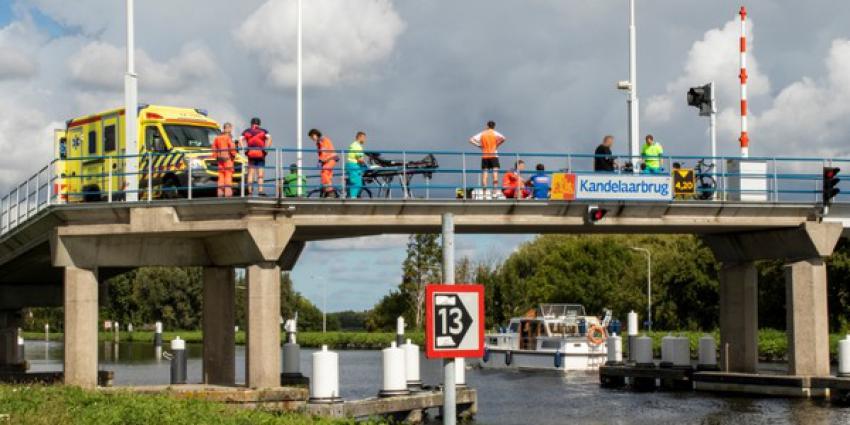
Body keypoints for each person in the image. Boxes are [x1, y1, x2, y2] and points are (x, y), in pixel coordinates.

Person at [469, 121, 506, 195]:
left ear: (487, 126)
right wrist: (497, 144)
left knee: (485, 175)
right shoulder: (495, 133)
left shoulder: (482, 133)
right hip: (494, 155)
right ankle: (495, 191)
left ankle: (484, 192)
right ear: (494, 126)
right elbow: (504, 138)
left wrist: (479, 145)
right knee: (495, 174)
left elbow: (471, 140)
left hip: (485, 155)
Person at [239, 117, 272, 196]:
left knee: (251, 173)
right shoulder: (264, 131)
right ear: (259, 124)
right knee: (260, 174)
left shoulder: (246, 131)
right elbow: (269, 138)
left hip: (251, 154)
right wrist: (266, 149)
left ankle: (250, 192)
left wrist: (244, 149)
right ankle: (260, 191)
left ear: (251, 124)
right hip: (261, 154)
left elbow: (240, 139)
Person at [308, 129, 339, 197]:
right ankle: (328, 191)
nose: (312, 138)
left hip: (330, 158)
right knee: (328, 175)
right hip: (327, 160)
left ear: (315, 134)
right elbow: (321, 153)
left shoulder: (322, 140)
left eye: (312, 136)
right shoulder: (319, 142)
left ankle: (330, 190)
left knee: (324, 172)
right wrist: (321, 161)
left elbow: (324, 151)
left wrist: (320, 161)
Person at [212, 122, 237, 198]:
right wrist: (234, 155)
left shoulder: (217, 137)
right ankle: (228, 193)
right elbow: (232, 148)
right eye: (230, 128)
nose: (231, 129)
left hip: (220, 159)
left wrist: (215, 156)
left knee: (221, 176)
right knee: (228, 176)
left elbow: (214, 147)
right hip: (228, 159)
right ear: (228, 128)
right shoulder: (228, 138)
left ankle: (220, 192)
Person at [346, 131, 368, 198]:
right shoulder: (357, 146)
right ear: (360, 137)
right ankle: (353, 199)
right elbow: (359, 159)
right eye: (364, 138)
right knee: (357, 183)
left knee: (351, 183)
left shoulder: (352, 145)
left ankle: (349, 197)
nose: (365, 140)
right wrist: (365, 164)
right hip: (354, 166)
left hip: (350, 165)